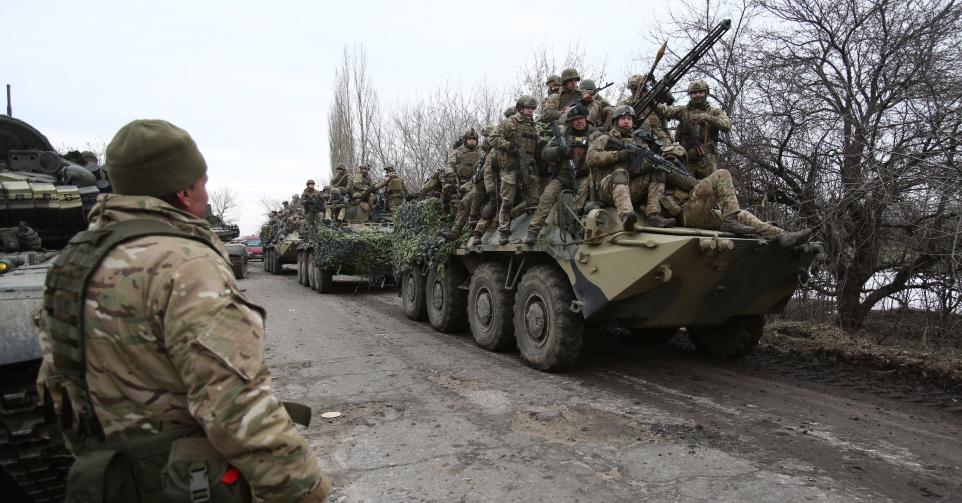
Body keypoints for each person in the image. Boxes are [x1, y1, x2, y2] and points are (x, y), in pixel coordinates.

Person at [35, 119, 330, 502]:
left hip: (105, 478)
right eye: (203, 182)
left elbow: (56, 386)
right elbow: (235, 407)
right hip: (183, 483)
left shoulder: (72, 262)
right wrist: (305, 488)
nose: (206, 195)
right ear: (183, 189)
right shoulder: (184, 265)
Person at [661, 162, 812, 246]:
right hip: (685, 214)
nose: (674, 161)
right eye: (672, 158)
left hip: (700, 213)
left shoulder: (680, 172)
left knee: (742, 215)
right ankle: (730, 221)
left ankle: (781, 235)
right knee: (722, 174)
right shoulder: (659, 172)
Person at [587, 106, 675, 230]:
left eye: (629, 118)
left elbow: (638, 169)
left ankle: (654, 215)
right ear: (615, 121)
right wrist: (618, 155)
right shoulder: (604, 139)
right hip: (607, 189)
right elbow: (590, 158)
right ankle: (626, 215)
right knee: (620, 172)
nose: (627, 121)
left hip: (629, 187)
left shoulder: (639, 143)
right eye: (623, 118)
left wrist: (653, 163)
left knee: (658, 172)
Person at [525, 105, 597, 244]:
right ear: (571, 121)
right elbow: (545, 154)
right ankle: (533, 231)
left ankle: (575, 223)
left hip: (584, 176)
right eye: (576, 119)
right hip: (563, 176)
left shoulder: (595, 134)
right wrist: (559, 150)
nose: (579, 122)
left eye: (582, 118)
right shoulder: (563, 135)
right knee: (548, 195)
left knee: (584, 189)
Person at [656, 79, 732, 179]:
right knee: (684, 190)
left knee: (709, 190)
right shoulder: (683, 110)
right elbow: (665, 111)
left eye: (700, 92)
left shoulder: (713, 111)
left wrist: (709, 118)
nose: (697, 95)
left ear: (706, 93)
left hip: (707, 160)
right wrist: (651, 100)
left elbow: (727, 125)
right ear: (690, 95)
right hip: (687, 159)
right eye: (694, 93)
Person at [494, 95, 543, 244]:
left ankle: (532, 230)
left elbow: (539, 146)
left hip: (529, 167)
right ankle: (503, 231)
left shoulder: (534, 127)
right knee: (507, 201)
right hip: (511, 167)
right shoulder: (511, 123)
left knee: (534, 202)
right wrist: (509, 146)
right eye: (528, 108)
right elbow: (494, 138)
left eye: (533, 109)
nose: (531, 111)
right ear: (520, 108)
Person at [440, 129, 481, 240]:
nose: (472, 141)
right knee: (446, 188)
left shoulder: (481, 151)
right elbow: (449, 164)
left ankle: (457, 231)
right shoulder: (458, 152)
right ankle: (445, 210)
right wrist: (451, 174)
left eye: (474, 139)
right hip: (459, 182)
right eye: (470, 139)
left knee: (465, 202)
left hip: (475, 182)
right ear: (465, 140)